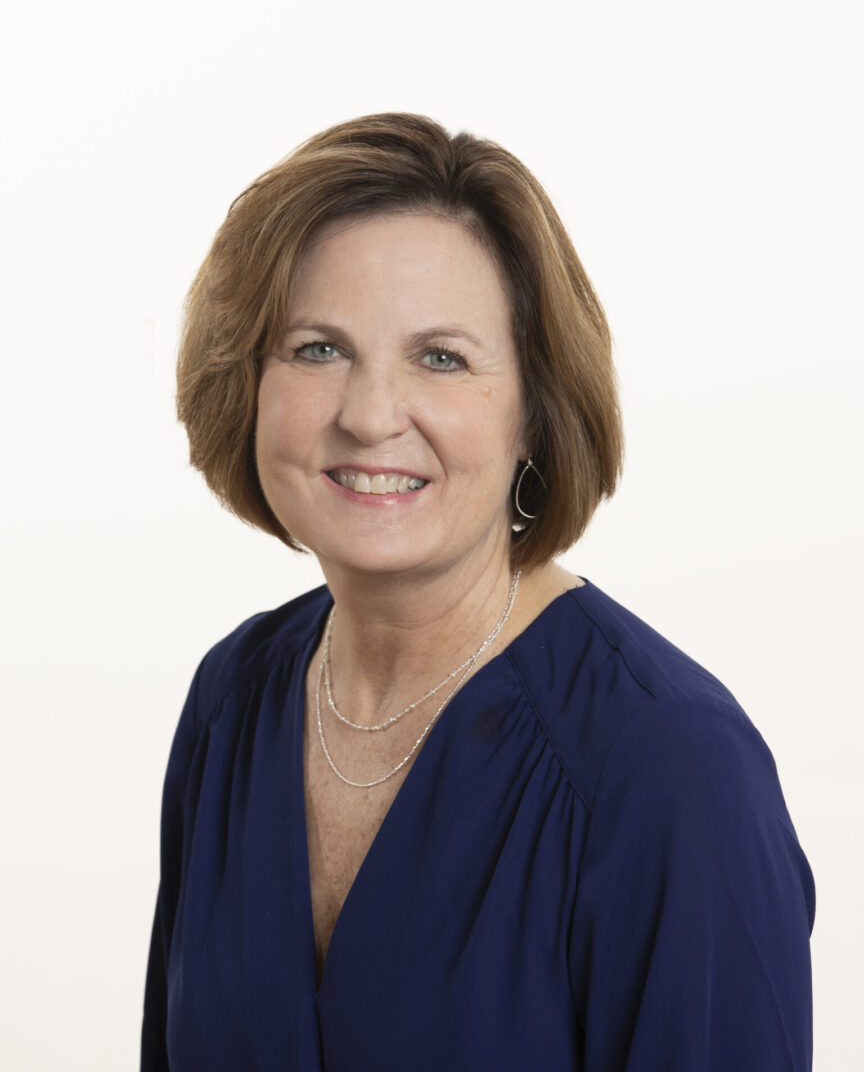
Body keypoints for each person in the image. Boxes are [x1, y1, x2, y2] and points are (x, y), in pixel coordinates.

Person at [141, 112, 815, 1071]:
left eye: (441, 357)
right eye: (317, 349)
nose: (371, 416)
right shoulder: (232, 702)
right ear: (246, 382)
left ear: (536, 410)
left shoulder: (671, 769)